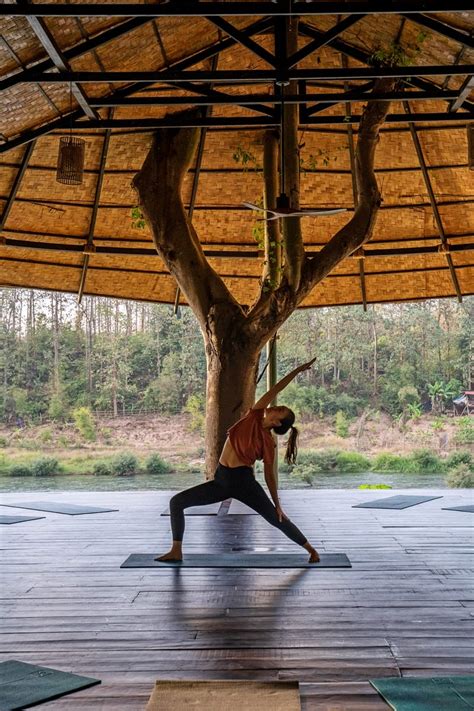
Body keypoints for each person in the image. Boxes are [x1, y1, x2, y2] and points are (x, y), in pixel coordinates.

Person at [157, 358, 320, 564]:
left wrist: (277, 504)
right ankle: (176, 550)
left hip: (244, 483)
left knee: (275, 517)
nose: (276, 406)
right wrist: (297, 370)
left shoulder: (268, 443)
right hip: (221, 480)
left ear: (277, 422)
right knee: (176, 502)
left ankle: (312, 550)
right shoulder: (254, 416)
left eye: (280, 410)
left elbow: (269, 475)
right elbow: (274, 389)